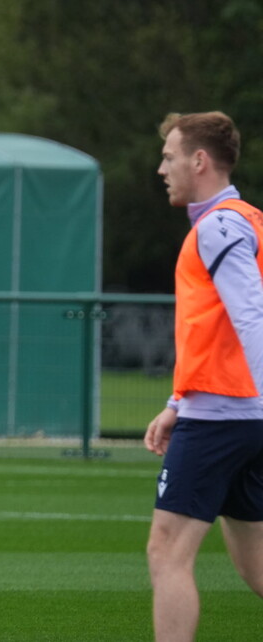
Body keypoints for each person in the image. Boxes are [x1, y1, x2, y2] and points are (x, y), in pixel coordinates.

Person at [145, 111, 263, 641]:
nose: (161, 167)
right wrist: (176, 402)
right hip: (231, 411)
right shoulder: (245, 219)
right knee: (256, 562)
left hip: (223, 416)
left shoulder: (218, 225)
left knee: (166, 550)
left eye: (169, 156)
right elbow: (216, 331)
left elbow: (251, 316)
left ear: (199, 160)